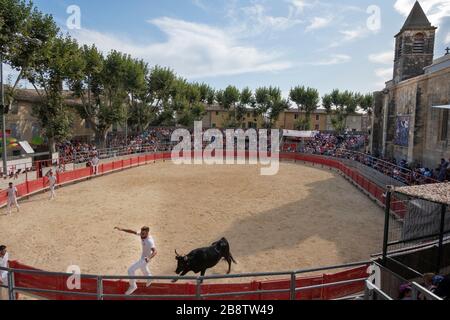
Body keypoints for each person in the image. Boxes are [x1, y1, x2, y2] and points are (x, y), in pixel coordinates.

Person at [115, 226, 157, 295]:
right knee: (143, 267)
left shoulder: (150, 241)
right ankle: (149, 278)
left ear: (147, 233)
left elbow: (155, 251)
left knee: (130, 270)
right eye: (141, 233)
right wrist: (122, 229)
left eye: (143, 234)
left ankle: (133, 286)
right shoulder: (141, 234)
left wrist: (149, 258)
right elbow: (132, 231)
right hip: (143, 257)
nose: (142, 235)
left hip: (146, 258)